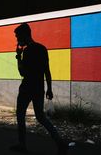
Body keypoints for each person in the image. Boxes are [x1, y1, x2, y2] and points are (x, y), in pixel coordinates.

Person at [10, 23, 68, 155]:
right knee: (41, 117)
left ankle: (22, 144)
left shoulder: (27, 51)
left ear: (24, 35)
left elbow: (22, 72)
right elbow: (47, 70)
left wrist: (18, 56)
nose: (17, 39)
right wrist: (49, 88)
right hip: (38, 88)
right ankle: (60, 143)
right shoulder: (42, 48)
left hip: (26, 88)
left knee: (20, 115)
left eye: (18, 36)